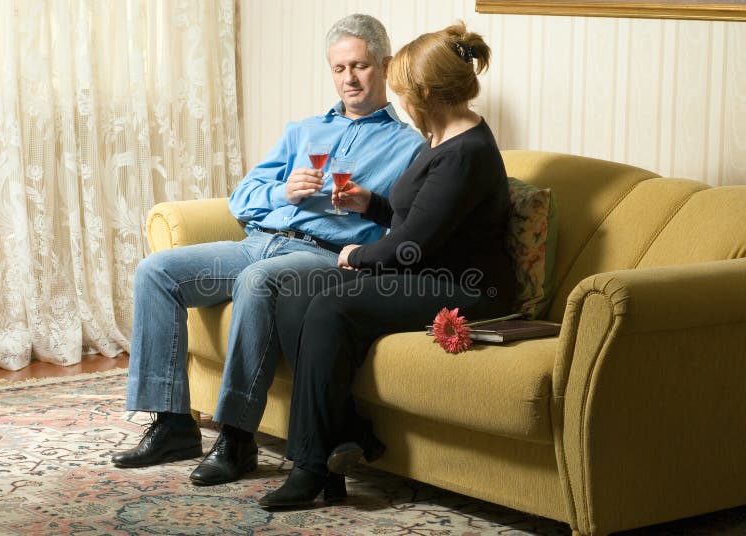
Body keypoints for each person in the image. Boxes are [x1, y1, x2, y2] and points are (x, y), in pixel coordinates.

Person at [111, 13, 423, 492]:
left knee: (260, 281)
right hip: (259, 240)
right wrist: (284, 192)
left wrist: (366, 205)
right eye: (339, 69)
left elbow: (406, 224)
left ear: (384, 64)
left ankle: (237, 437)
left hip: (323, 257)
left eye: (359, 66)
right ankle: (173, 425)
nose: (349, 79)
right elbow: (242, 197)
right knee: (157, 271)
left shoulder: (408, 147)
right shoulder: (303, 132)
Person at [257, 22, 515, 509]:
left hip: (464, 288)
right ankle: (346, 435)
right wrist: (368, 204)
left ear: (425, 93)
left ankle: (311, 465)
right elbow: (416, 217)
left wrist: (355, 254)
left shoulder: (466, 153)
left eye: (402, 93)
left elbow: (411, 244)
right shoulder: (439, 139)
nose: (400, 104)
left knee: (332, 305)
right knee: (296, 290)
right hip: (423, 272)